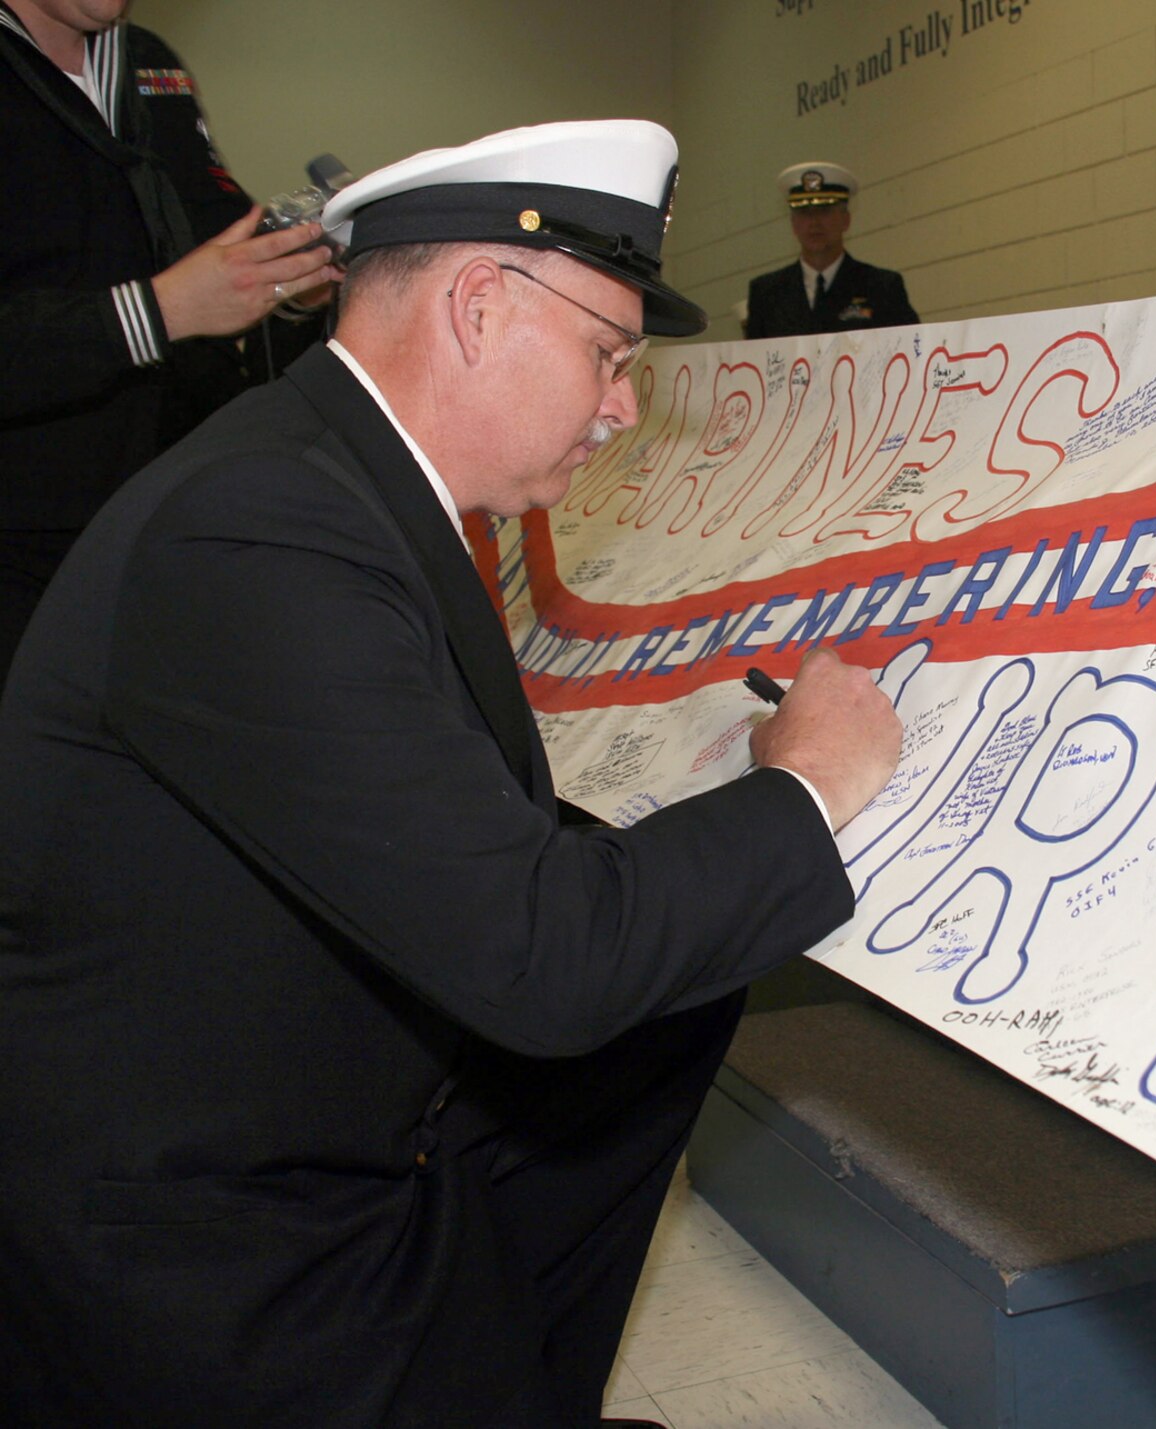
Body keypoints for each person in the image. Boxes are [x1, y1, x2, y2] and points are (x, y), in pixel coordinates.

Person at [0, 119, 903, 1427]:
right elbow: (538, 954)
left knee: (667, 1003)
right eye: (607, 354)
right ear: (481, 305)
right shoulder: (264, 530)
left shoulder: (331, 485)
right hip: (201, 1256)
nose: (622, 407)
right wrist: (808, 783)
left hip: (308, 1125)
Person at [0, 0, 340, 683]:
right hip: (24, 540)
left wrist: (297, 273)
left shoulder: (147, 60)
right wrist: (156, 312)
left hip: (169, 512)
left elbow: (214, 231)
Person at [743, 160, 919, 339]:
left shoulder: (881, 287)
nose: (814, 223)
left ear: (846, 220)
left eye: (824, 210)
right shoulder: (767, 294)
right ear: (793, 224)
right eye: (804, 213)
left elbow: (912, 351)